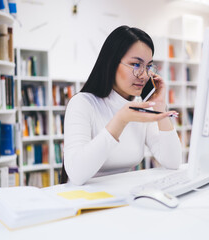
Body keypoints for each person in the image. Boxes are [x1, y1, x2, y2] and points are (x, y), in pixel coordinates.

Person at [62, 25, 182, 185]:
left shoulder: (141, 106)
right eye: (136, 65)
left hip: (121, 197)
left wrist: (159, 106)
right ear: (111, 63)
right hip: (84, 201)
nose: (144, 75)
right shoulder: (82, 103)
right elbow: (76, 174)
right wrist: (120, 121)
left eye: (148, 67)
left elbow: (173, 162)